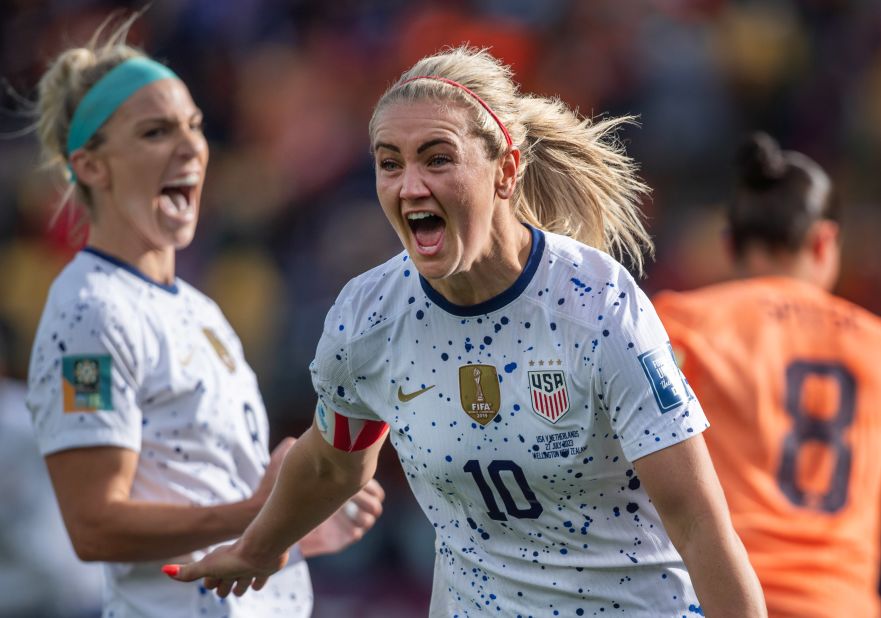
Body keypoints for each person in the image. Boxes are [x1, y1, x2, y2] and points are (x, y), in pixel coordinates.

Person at [166, 46, 766, 617]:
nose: (410, 186)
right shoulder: (369, 319)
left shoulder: (596, 305)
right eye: (389, 163)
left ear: (505, 171)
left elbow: (698, 522)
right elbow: (332, 462)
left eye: (437, 158)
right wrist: (258, 547)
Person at [24, 15, 384, 618]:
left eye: (194, 126)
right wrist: (262, 511)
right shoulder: (90, 309)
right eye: (155, 132)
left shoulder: (198, 308)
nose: (191, 146)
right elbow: (93, 526)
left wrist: (299, 521)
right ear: (90, 166)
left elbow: (209, 496)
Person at [653, 132, 881, 618]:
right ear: (824, 241)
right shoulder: (874, 343)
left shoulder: (682, 324)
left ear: (729, 244)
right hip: (844, 602)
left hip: (727, 600)